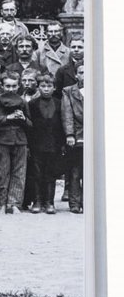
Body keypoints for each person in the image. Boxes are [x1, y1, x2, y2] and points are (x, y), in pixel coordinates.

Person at [0, 73, 31, 214]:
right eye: (7, 86)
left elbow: (30, 124)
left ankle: (14, 204)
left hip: (20, 141)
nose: (11, 89)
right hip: (2, 140)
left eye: (14, 86)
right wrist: (8, 117)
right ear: (2, 86)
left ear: (19, 86)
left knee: (19, 173)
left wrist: (23, 119)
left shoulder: (22, 101)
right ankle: (1, 204)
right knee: (3, 172)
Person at [26, 74, 64, 214]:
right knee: (36, 173)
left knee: (50, 173)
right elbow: (29, 125)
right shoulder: (32, 104)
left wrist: (62, 143)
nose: (46, 89)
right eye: (43, 86)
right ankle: (37, 201)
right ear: (38, 87)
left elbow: (63, 124)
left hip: (54, 144)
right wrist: (29, 145)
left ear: (54, 88)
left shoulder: (59, 103)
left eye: (49, 86)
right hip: (36, 144)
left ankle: (49, 202)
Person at [61, 63, 84, 213]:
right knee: (75, 171)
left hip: (93, 134)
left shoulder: (99, 88)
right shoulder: (68, 91)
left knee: (91, 171)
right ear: (76, 75)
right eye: (81, 72)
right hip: (77, 134)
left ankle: (89, 201)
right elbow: (67, 114)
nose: (84, 75)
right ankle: (74, 203)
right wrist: (70, 134)